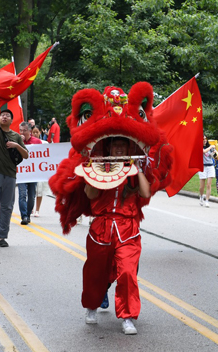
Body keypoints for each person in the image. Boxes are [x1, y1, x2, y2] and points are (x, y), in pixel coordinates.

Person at [82, 137, 150, 335]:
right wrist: (98, 174)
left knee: (128, 272)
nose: (119, 148)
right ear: (109, 147)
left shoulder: (134, 168)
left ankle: (127, 317)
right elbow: (90, 194)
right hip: (101, 229)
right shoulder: (99, 166)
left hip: (127, 229)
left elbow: (145, 193)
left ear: (129, 147)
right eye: (115, 144)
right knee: (96, 273)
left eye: (123, 144)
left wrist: (138, 169)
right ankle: (92, 306)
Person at [0, 110, 28, 247]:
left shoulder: (16, 136)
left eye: (8, 115)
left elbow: (26, 155)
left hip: (10, 174)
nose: (4, 116)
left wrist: (16, 145)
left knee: (7, 207)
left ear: (11, 120)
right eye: (2, 115)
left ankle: (2, 237)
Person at [17, 122, 42, 225]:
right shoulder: (17, 141)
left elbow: (42, 156)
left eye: (24, 130)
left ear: (30, 131)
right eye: (21, 130)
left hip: (33, 173)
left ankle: (28, 214)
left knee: (31, 196)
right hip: (21, 173)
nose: (22, 132)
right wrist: (20, 142)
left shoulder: (37, 142)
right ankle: (24, 216)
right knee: (22, 194)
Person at [199, 135, 215, 207]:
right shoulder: (199, 147)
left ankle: (207, 200)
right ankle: (201, 196)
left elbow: (213, 156)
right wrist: (211, 147)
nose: (205, 140)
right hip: (203, 167)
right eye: (203, 139)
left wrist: (214, 153)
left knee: (209, 185)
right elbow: (204, 151)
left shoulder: (210, 147)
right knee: (202, 186)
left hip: (210, 166)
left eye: (205, 139)